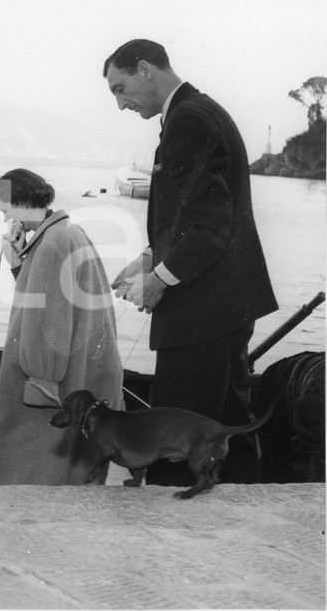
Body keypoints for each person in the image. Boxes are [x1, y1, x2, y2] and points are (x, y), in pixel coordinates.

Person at [103, 39, 278, 486]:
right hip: (226, 304)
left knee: (178, 435)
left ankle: (173, 539)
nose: (121, 104)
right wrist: (148, 258)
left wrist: (160, 279)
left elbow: (209, 226)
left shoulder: (189, 121)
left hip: (202, 310)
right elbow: (193, 213)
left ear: (145, 69)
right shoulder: (199, 113)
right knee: (224, 424)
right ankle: (241, 516)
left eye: (120, 89)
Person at [0, 169, 125, 485]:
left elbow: (47, 327)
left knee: (19, 469)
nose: (5, 217)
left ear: (19, 203)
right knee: (73, 478)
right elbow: (53, 305)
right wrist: (18, 264)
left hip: (55, 386)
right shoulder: (68, 233)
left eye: (5, 209)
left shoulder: (50, 245)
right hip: (85, 380)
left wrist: (41, 381)